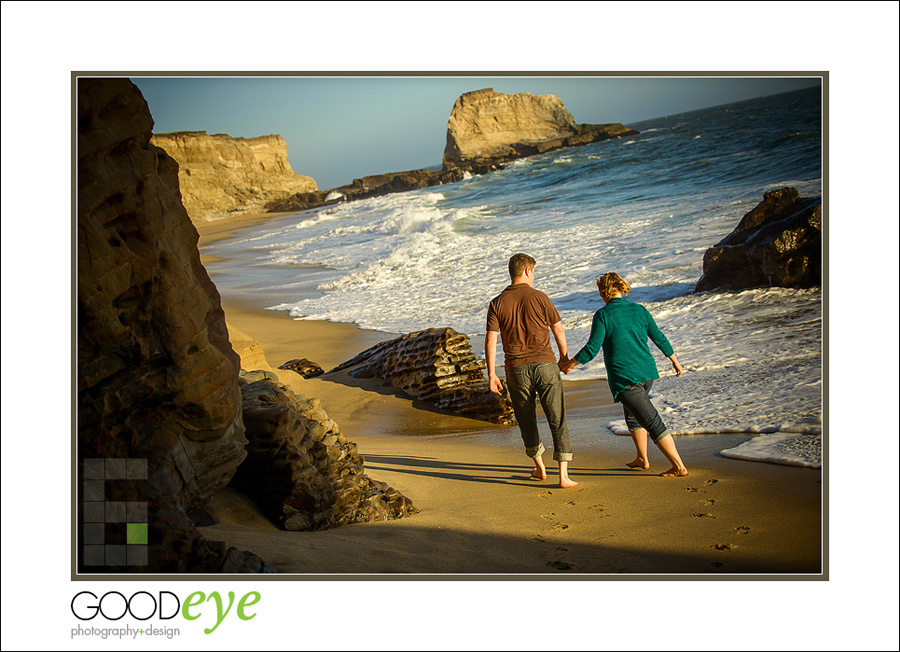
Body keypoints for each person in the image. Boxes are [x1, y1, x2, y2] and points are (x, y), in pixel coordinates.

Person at [559, 272, 689, 477]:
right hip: (647, 374)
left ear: (603, 292)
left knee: (651, 421)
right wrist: (674, 360)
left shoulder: (603, 315)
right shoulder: (639, 310)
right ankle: (642, 458)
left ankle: (679, 466)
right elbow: (659, 337)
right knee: (632, 415)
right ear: (622, 288)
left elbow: (592, 349)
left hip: (626, 377)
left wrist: (570, 364)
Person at [486, 253, 577, 488]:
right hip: (546, 364)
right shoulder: (540, 297)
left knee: (527, 420)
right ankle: (564, 476)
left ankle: (540, 468)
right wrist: (564, 358)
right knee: (557, 418)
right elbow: (558, 329)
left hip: (516, 369)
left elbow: (491, 340)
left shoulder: (497, 302)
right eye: (533, 272)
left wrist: (492, 374)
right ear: (527, 271)